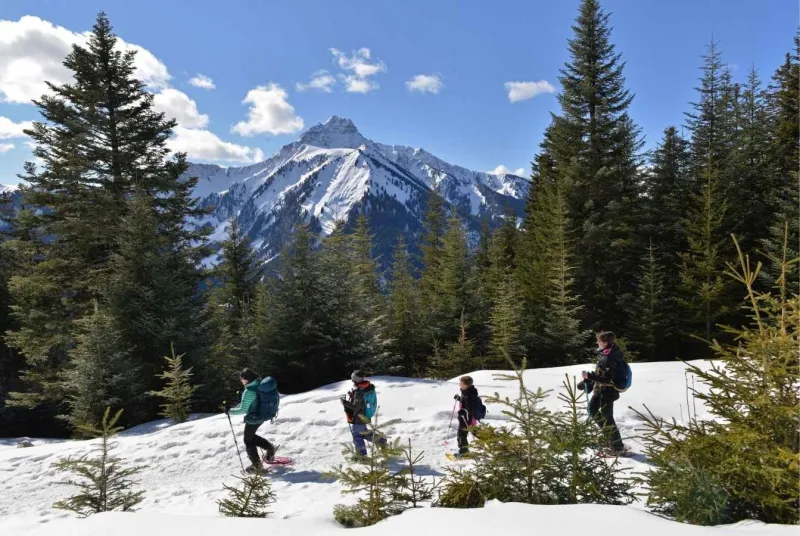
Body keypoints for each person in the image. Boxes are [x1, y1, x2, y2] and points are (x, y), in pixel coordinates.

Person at [579, 331, 626, 454]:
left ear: (605, 343)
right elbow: (601, 374)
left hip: (607, 392)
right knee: (592, 410)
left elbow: (607, 379)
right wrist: (587, 380)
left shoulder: (609, 357)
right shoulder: (607, 353)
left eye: (599, 341)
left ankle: (617, 447)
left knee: (607, 417)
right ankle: (610, 437)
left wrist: (589, 376)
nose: (597, 342)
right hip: (600, 390)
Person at [226, 368, 276, 473]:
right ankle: (270, 448)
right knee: (251, 437)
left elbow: (243, 409)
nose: (240, 380)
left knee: (248, 440)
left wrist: (229, 411)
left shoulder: (249, 391)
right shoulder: (258, 385)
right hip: (261, 415)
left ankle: (257, 466)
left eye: (242, 378)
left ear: (247, 379)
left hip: (253, 418)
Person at [341, 369, 386, 457]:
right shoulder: (366, 387)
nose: (352, 381)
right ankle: (380, 440)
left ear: (356, 379)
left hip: (358, 417)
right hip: (364, 415)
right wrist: (352, 396)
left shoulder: (359, 392)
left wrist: (344, 402)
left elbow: (356, 407)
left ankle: (362, 456)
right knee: (363, 433)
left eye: (353, 379)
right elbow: (361, 402)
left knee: (357, 436)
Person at [453, 375, 480, 457]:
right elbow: (465, 402)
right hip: (466, 419)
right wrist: (459, 398)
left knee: (461, 435)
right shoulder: (467, 392)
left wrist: (463, 411)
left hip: (467, 419)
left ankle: (464, 452)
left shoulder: (469, 395)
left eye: (461, 383)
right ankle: (492, 441)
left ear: (466, 385)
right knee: (475, 433)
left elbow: (470, 408)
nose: (460, 385)